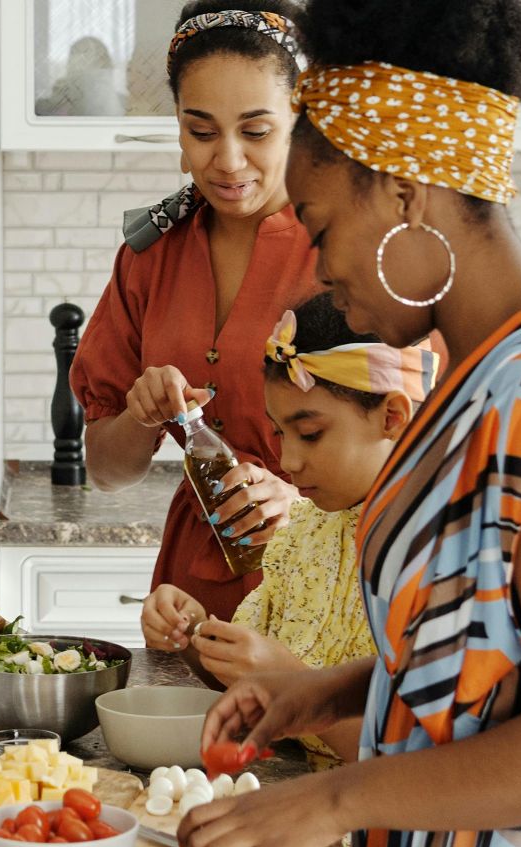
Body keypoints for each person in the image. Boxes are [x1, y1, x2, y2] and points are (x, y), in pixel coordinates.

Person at [180, 4, 521, 847]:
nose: (317, 269)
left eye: (319, 226)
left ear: (405, 193)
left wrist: (333, 798)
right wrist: (335, 692)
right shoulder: (477, 381)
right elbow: (489, 648)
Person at [71, 2, 321, 653]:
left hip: (324, 588)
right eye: (201, 130)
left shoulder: (343, 252)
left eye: (257, 131)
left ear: (300, 117)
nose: (229, 161)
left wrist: (297, 505)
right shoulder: (149, 255)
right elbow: (106, 468)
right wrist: (140, 418)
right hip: (190, 597)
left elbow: (417, 458)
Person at [142, 293, 434, 768]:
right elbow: (250, 679)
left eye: (311, 433)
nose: (289, 462)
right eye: (279, 434)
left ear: (392, 417)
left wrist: (294, 684)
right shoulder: (303, 531)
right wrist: (194, 633)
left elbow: (428, 768)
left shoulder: (438, 549)